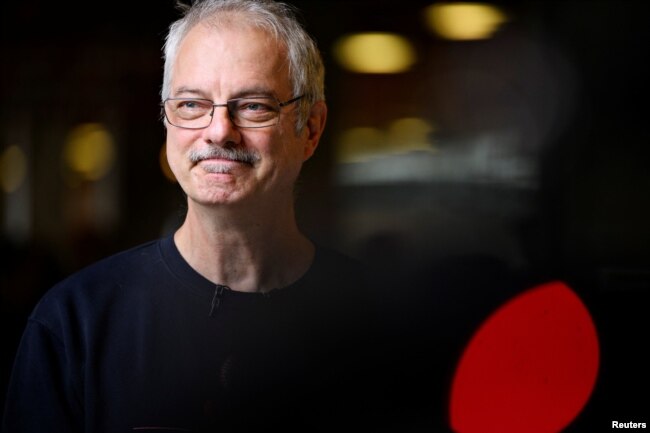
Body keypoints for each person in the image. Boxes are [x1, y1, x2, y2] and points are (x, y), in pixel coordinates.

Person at [1, 1, 390, 431]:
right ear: (168, 120)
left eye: (254, 106)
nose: (219, 130)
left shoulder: (380, 318)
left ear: (311, 130)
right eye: (191, 104)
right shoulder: (76, 323)